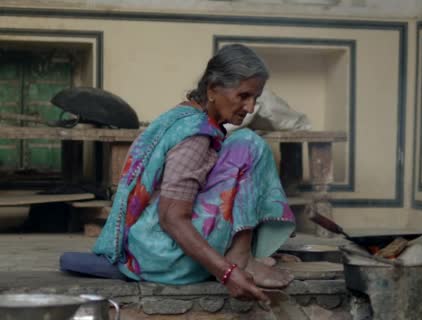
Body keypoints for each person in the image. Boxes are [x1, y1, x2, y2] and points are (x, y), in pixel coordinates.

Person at [91, 44, 296, 301]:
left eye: (255, 98)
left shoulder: (179, 117)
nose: (251, 107)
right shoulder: (196, 134)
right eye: (243, 96)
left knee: (237, 147)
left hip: (144, 250)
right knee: (248, 144)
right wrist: (227, 273)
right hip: (167, 259)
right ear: (212, 90)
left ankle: (244, 252)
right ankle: (241, 259)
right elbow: (172, 217)